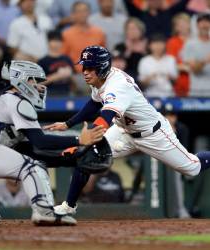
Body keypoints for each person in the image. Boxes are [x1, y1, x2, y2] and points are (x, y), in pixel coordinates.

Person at [44, 45, 210, 219]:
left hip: (153, 134)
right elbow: (94, 102)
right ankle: (68, 207)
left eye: (90, 68)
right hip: (124, 130)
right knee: (86, 156)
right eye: (84, 67)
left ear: (101, 68)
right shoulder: (100, 78)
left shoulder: (117, 85)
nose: (85, 72)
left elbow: (105, 118)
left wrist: (83, 140)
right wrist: (68, 124)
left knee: (193, 168)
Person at [0, 60, 105, 226]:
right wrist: (79, 140)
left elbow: (31, 150)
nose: (40, 86)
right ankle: (44, 211)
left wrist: (72, 157)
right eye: (34, 80)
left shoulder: (4, 101)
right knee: (33, 168)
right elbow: (41, 141)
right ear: (21, 81)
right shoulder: (17, 100)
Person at [37, 30, 76, 96]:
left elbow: (74, 83)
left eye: (59, 41)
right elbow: (38, 84)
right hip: (49, 94)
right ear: (49, 42)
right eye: (54, 41)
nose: (56, 44)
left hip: (66, 93)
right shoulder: (42, 61)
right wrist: (56, 76)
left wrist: (70, 75)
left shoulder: (67, 59)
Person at [138, 33, 178, 97]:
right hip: (150, 95)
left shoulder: (171, 59)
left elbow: (175, 81)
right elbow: (141, 84)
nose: (158, 46)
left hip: (169, 95)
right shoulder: (144, 61)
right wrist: (150, 78)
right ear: (150, 46)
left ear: (165, 45)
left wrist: (169, 77)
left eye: (161, 43)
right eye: (155, 43)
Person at [181, 13, 210, 97]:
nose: (204, 25)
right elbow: (194, 70)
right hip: (197, 92)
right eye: (202, 22)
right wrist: (206, 60)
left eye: (207, 21)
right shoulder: (190, 44)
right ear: (197, 25)